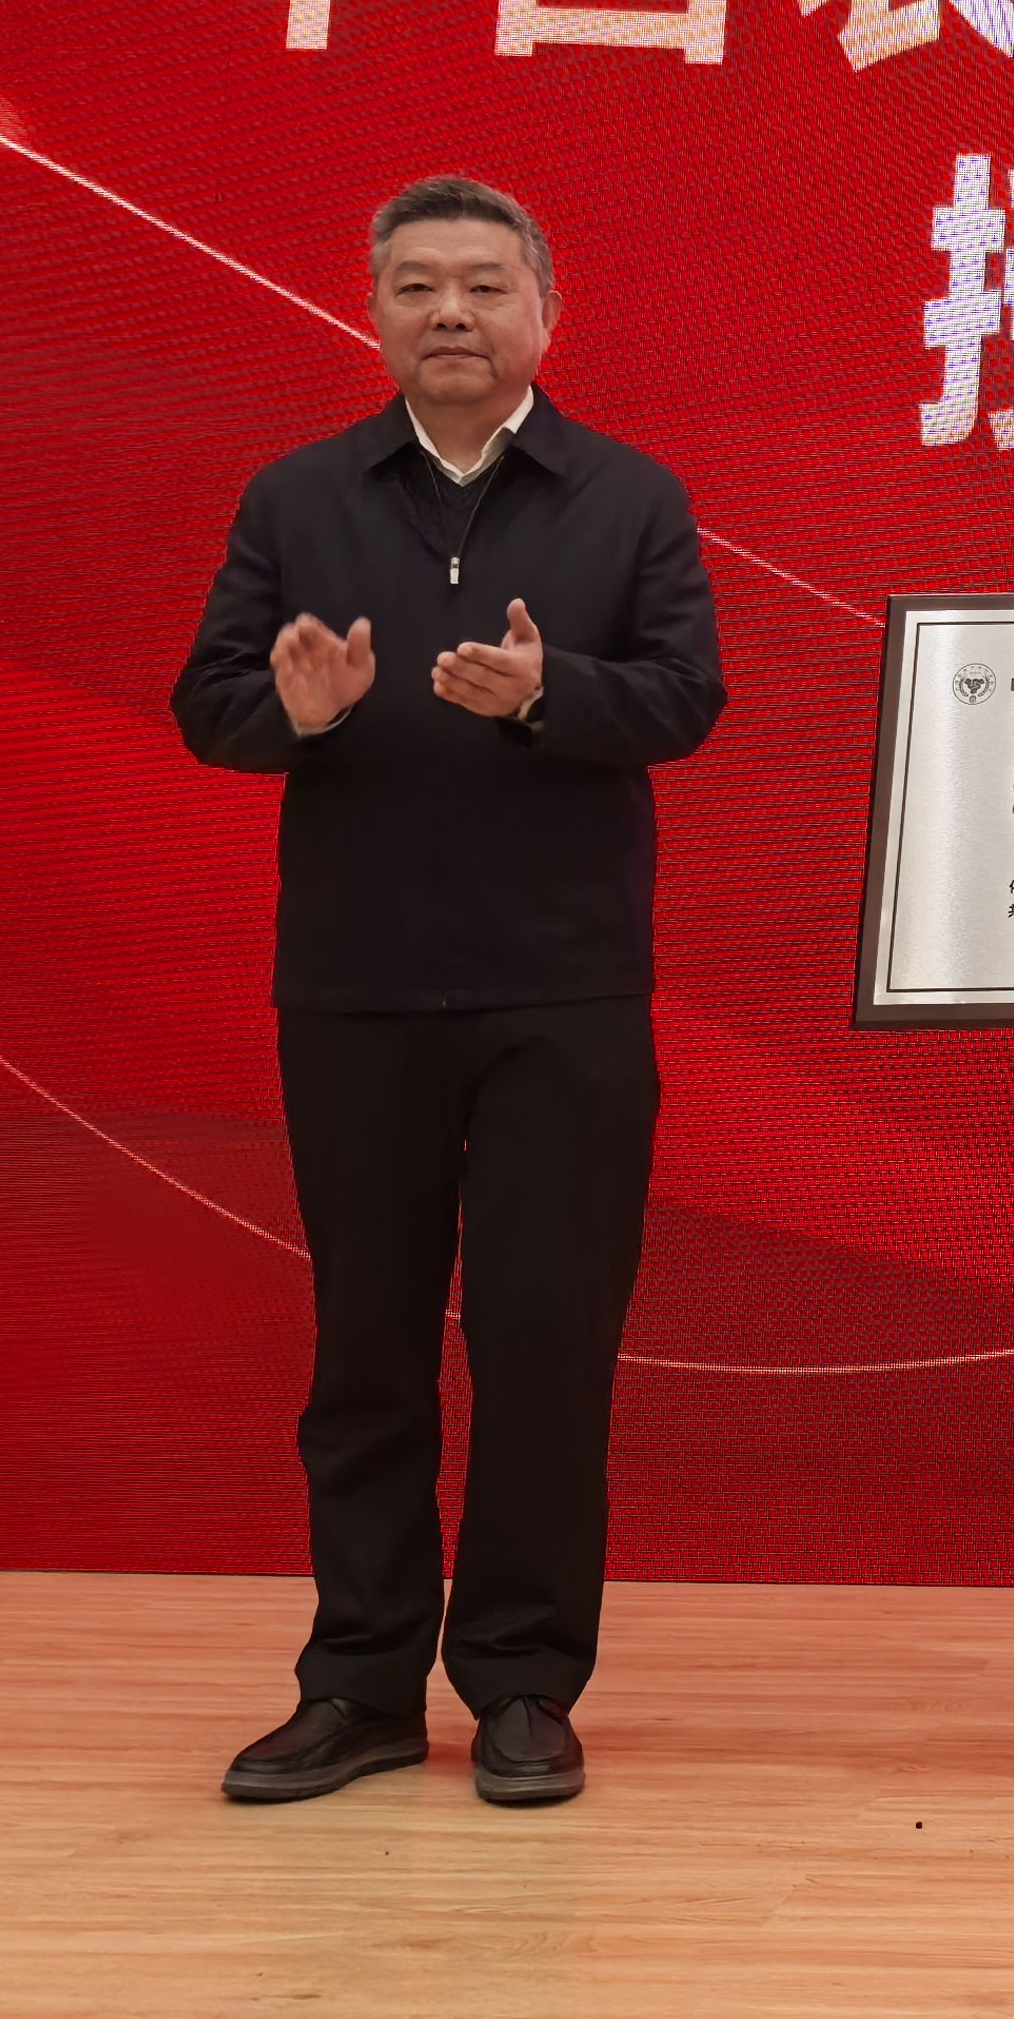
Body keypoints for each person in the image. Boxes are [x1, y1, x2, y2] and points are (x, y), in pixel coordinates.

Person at [175, 178, 725, 1809]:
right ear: (374, 315)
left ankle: (524, 1680)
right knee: (366, 1350)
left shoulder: (628, 497)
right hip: (356, 987)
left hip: (565, 994)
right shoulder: (299, 497)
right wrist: (303, 714)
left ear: (546, 312)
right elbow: (211, 705)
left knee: (546, 1343)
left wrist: (555, 692)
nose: (452, 314)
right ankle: (356, 1682)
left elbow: (687, 699)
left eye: (485, 285)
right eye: (417, 286)